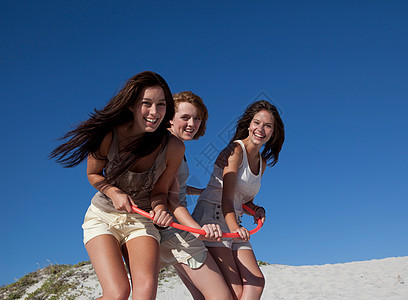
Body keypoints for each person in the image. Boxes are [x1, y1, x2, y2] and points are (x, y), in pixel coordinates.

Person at [50, 71, 184, 299]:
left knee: (145, 294)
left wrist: (161, 209)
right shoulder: (108, 136)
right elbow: (93, 174)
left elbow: (160, 192)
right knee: (117, 292)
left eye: (161, 104)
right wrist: (113, 192)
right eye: (146, 103)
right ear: (132, 105)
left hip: (142, 219)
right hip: (103, 216)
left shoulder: (173, 147)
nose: (154, 112)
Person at [192, 100, 285, 299]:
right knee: (234, 291)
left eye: (268, 126)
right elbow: (227, 197)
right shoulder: (235, 151)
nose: (261, 129)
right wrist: (235, 228)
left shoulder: (262, 163)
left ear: (273, 133)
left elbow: (241, 198)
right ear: (249, 125)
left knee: (256, 282)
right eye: (257, 123)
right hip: (213, 217)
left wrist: (256, 208)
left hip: (234, 220)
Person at [159, 91, 232, 300]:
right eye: (185, 117)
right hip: (177, 232)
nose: (192, 123)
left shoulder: (171, 145)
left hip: (170, 232)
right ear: (170, 118)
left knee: (200, 297)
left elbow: (175, 186)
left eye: (197, 118)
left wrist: (200, 191)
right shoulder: (171, 146)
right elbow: (171, 199)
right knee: (221, 297)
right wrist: (198, 230)